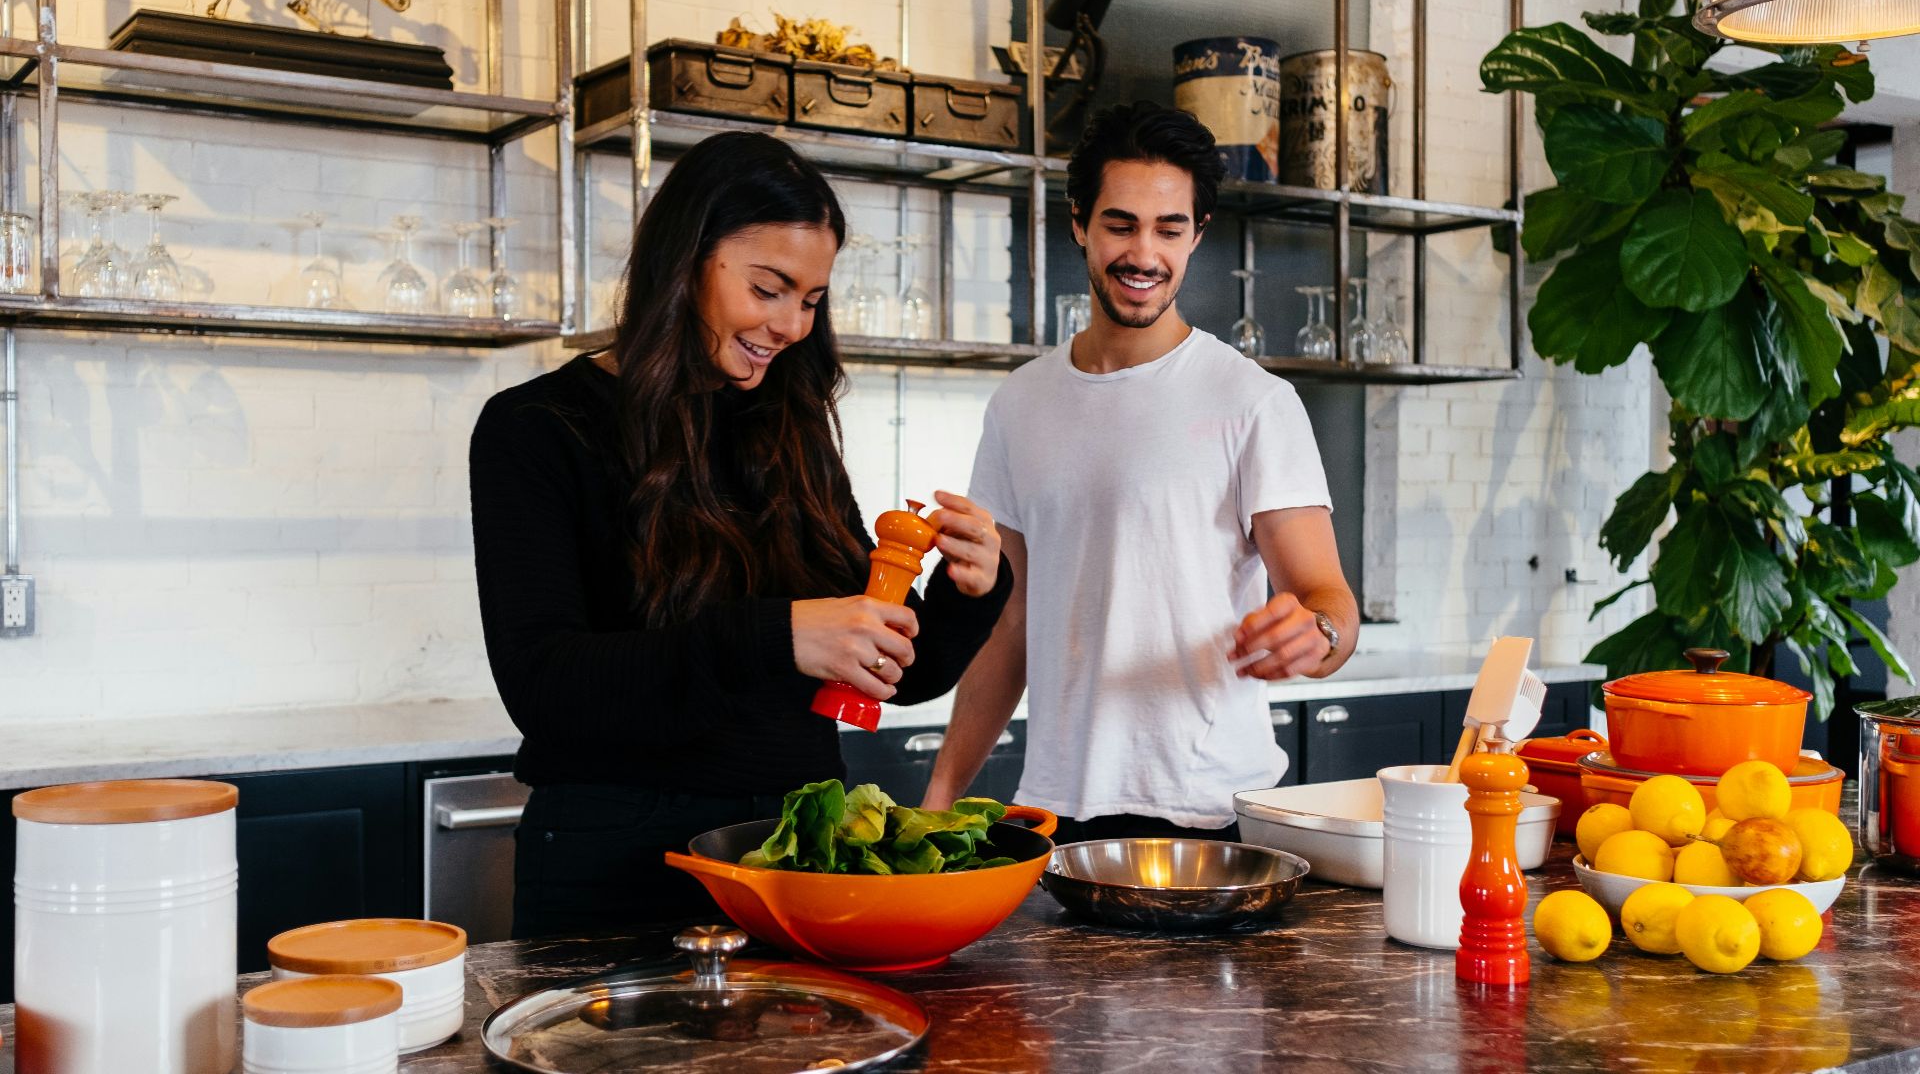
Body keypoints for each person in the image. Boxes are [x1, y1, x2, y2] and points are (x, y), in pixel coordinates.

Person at [469, 131, 1012, 939]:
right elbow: (545, 688)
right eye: (770, 288)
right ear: (687, 259)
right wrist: (778, 637)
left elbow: (888, 675)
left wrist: (968, 591)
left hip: (797, 857)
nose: (792, 324)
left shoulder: (790, 428)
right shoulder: (536, 428)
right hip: (615, 870)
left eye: (812, 299)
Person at [922, 101, 1358, 843]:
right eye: (1120, 224)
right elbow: (1010, 624)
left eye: (1169, 229)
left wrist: (1314, 635)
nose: (1144, 254)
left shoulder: (1253, 401)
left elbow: (1329, 605)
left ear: (1198, 234)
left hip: (1210, 813)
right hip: (1055, 813)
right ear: (1079, 223)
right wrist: (938, 799)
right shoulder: (1021, 403)